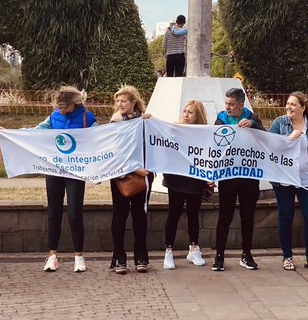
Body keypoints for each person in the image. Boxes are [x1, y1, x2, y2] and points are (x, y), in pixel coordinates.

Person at [269, 92, 308, 272]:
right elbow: (268, 147)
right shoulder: (279, 124)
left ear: (303, 107)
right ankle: (287, 256)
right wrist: (288, 141)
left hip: (306, 179)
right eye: (287, 104)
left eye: (293, 104)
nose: (289, 107)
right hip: (285, 180)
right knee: (285, 215)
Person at [43, 86, 97, 273]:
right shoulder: (53, 117)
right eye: (57, 106)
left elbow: (101, 139)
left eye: (62, 106)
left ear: (73, 105)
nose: (59, 109)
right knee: (53, 213)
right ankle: (52, 256)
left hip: (75, 173)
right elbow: (35, 132)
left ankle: (79, 256)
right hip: (54, 170)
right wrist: (9, 133)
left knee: (75, 214)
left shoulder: (87, 118)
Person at [212, 87, 265, 271]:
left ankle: (246, 255)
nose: (227, 107)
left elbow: (266, 139)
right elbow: (212, 142)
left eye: (231, 104)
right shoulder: (220, 119)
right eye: (226, 103)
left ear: (241, 105)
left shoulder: (253, 117)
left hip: (249, 176)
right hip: (228, 176)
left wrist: (254, 126)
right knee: (224, 216)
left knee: (247, 217)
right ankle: (219, 256)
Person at [162, 101, 212, 269]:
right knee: (173, 215)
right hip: (176, 179)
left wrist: (209, 177)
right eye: (184, 111)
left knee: (193, 214)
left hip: (194, 179)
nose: (186, 114)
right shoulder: (175, 129)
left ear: (198, 116)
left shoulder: (204, 133)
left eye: (190, 112)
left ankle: (193, 248)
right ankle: (168, 251)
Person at [109, 86, 151, 275]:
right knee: (119, 216)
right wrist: (135, 169)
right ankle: (119, 257)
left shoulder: (144, 121)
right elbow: (116, 151)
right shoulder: (115, 123)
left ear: (133, 102)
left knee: (140, 216)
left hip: (143, 176)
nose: (120, 104)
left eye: (123, 101)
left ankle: (141, 256)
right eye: (117, 101)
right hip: (121, 176)